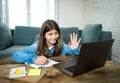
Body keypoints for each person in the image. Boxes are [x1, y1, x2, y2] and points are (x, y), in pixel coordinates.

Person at [12, 19, 81, 65]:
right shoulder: (36, 46)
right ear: (44, 35)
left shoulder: (62, 44)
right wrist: (34, 58)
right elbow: (16, 55)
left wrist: (74, 49)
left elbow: (74, 55)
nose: (54, 37)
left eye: (56, 33)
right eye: (50, 34)